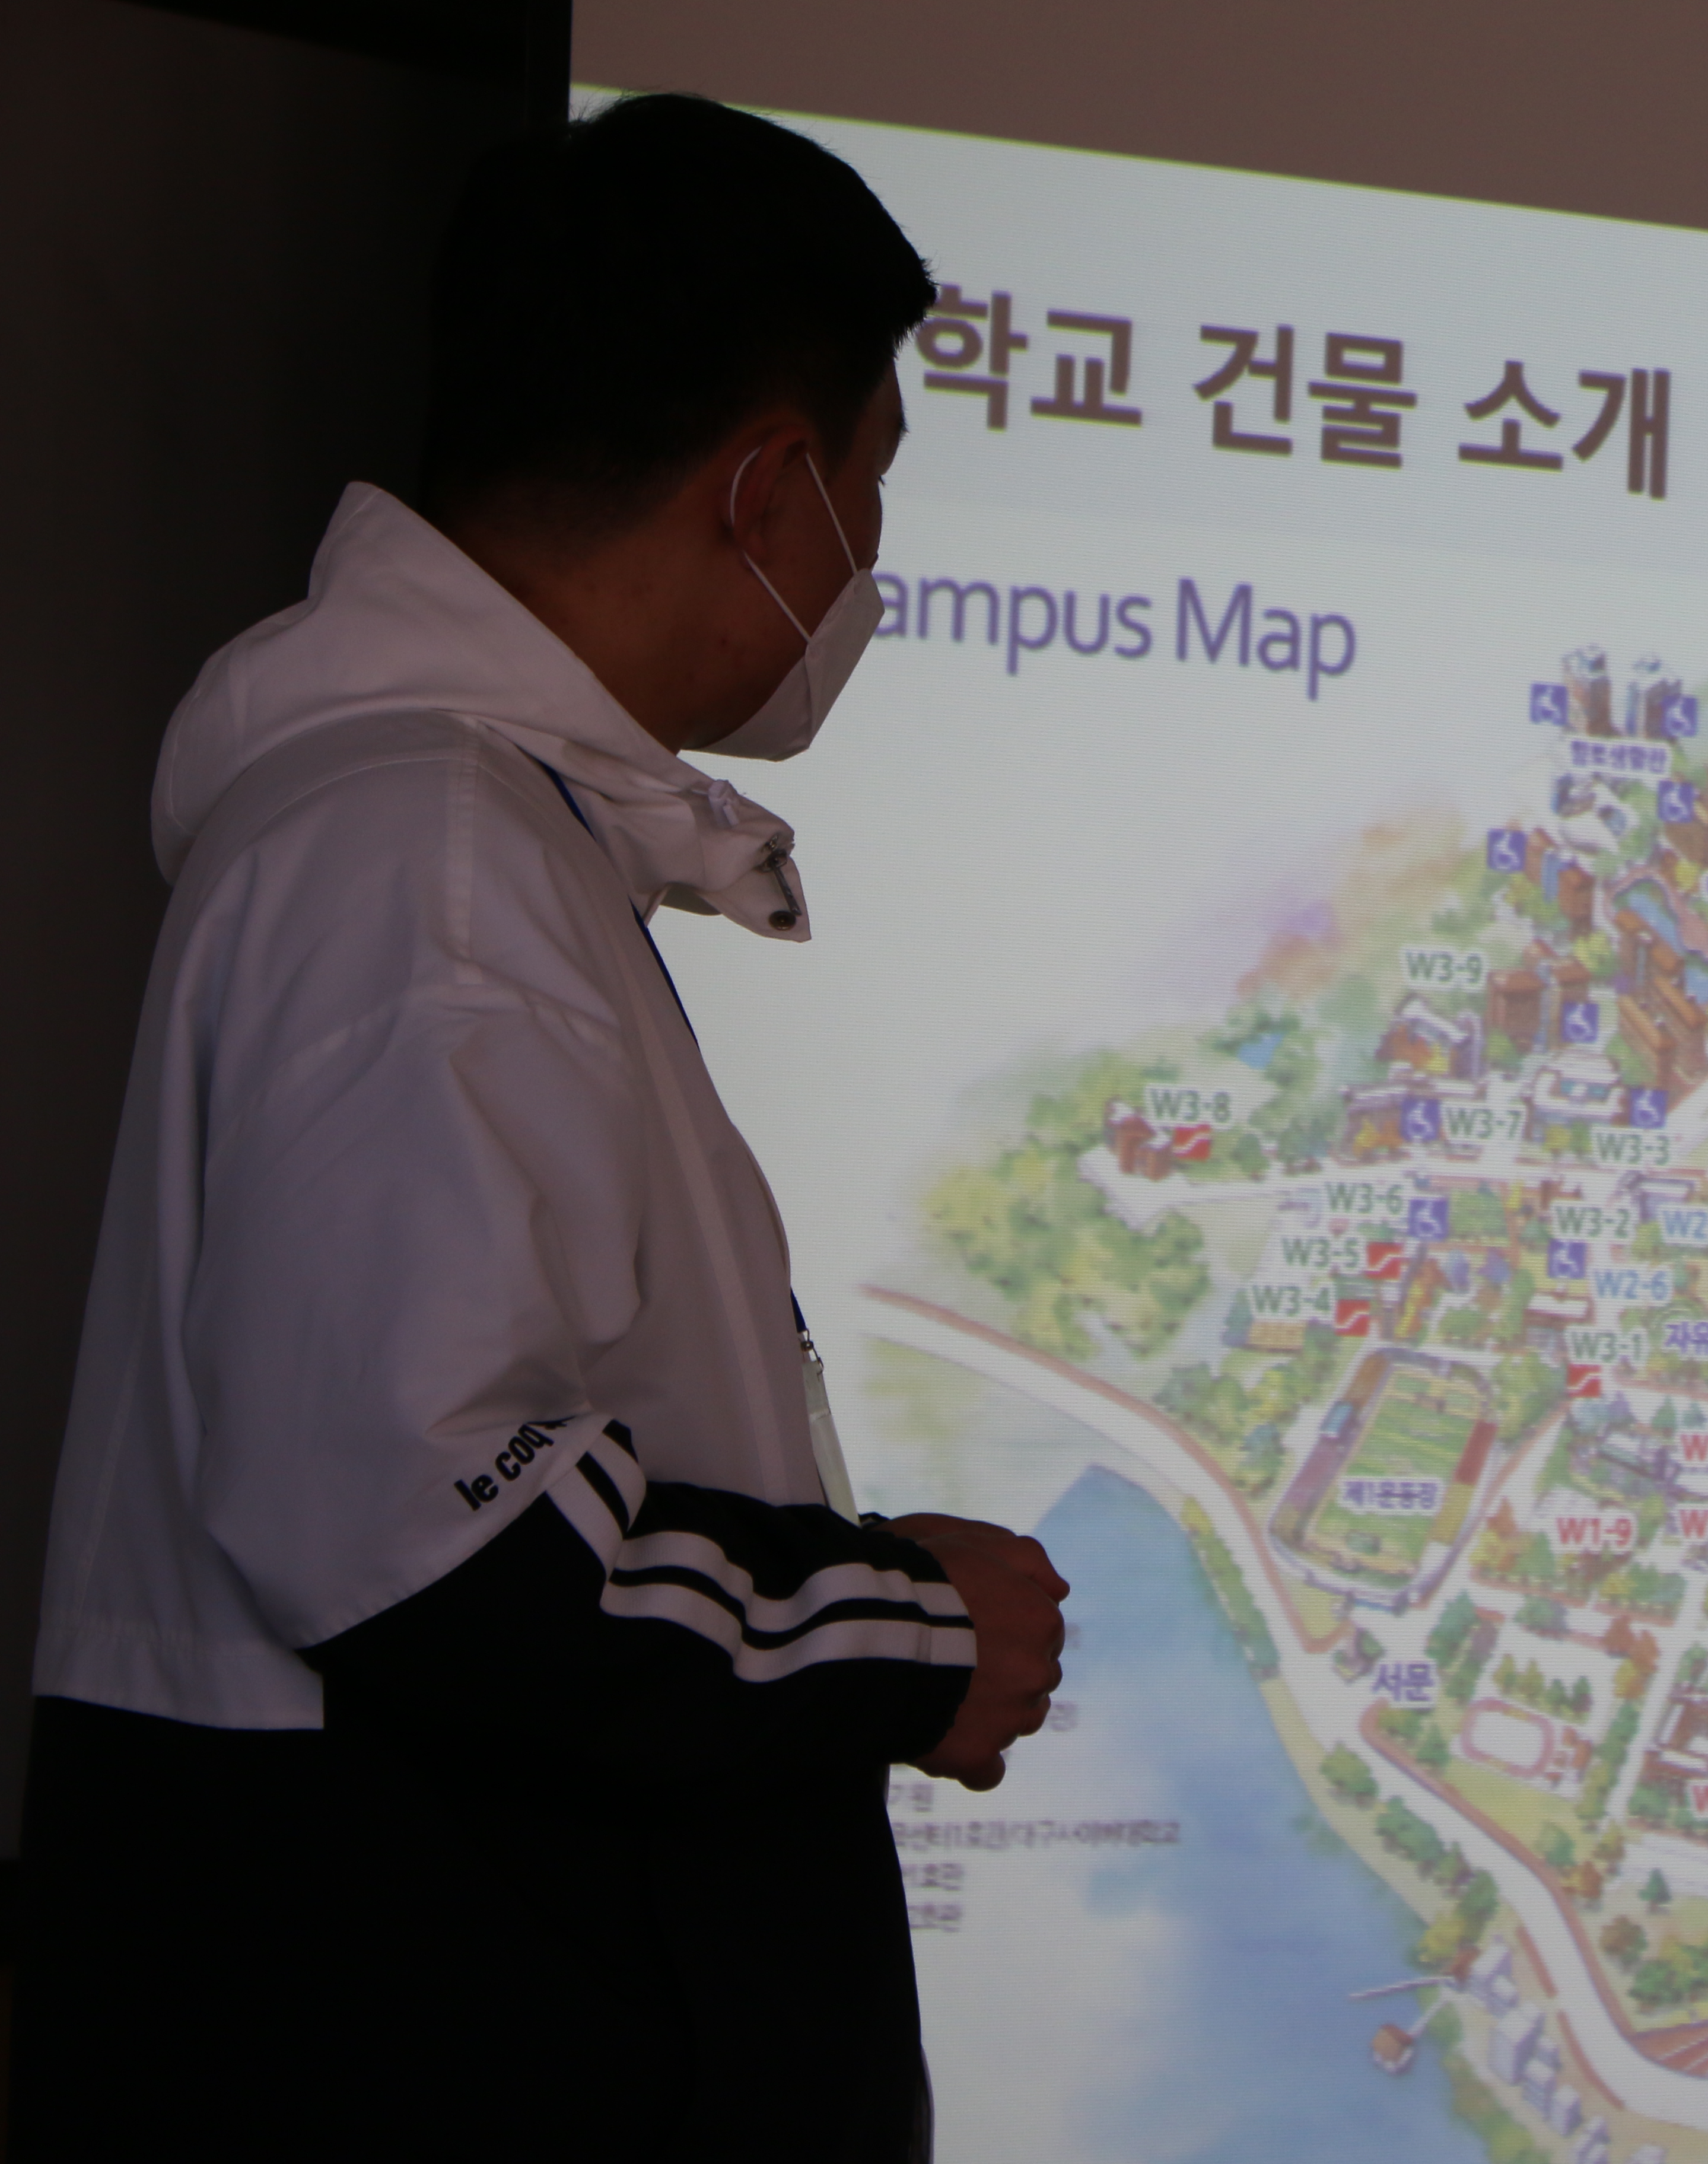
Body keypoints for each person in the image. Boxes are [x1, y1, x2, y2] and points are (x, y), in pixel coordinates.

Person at [13, 94, 1064, 2163]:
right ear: (766, 488)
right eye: (869, 483)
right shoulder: (431, 864)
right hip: (450, 2036)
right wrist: (906, 1630)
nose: (869, 562)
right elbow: (427, 1532)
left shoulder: (456, 835)